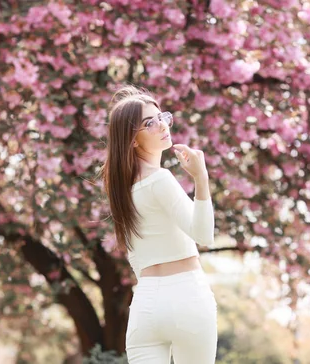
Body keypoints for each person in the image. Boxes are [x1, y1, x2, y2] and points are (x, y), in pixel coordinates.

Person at [100, 85, 218, 364]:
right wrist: (201, 179)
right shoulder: (159, 179)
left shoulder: (120, 191)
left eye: (161, 117)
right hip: (188, 297)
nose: (162, 125)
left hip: (146, 306)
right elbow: (203, 235)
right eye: (149, 123)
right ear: (132, 140)